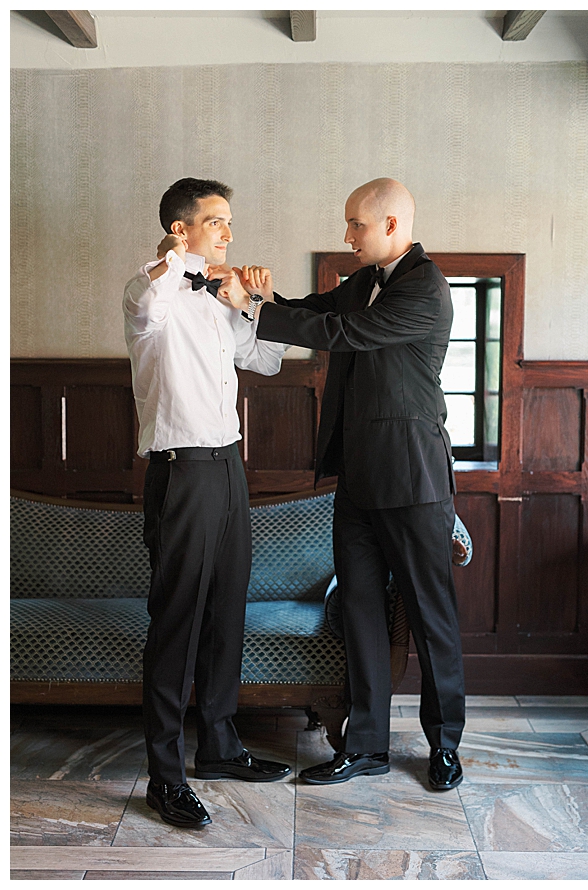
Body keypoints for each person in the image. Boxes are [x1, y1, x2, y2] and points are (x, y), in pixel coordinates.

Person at [215, 178, 465, 791]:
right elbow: (319, 310)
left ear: (389, 226)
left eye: (355, 224)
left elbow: (343, 335)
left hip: (413, 478)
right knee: (358, 612)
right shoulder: (362, 281)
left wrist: (252, 310)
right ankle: (366, 748)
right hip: (354, 479)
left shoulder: (426, 288)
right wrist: (265, 296)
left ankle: (445, 746)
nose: (346, 235)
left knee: (431, 619)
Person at [123, 178, 291, 829]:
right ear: (179, 228)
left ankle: (220, 747)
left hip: (228, 467)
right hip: (181, 471)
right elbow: (146, 306)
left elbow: (267, 363)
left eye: (228, 221)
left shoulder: (223, 294)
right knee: (176, 624)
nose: (227, 232)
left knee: (227, 609)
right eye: (215, 222)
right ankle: (164, 778)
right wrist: (180, 262)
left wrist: (257, 303)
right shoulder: (149, 290)